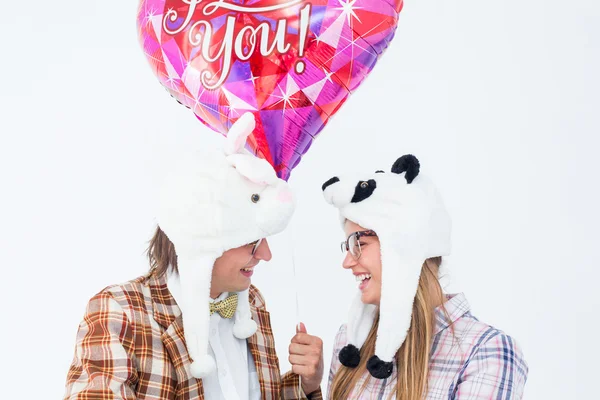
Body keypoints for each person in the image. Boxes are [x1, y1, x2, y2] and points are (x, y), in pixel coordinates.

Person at [64, 113, 324, 399]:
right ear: (202, 237)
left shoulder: (251, 304)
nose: (265, 254)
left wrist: (306, 385)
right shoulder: (119, 311)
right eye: (252, 241)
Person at [321, 154, 528, 399]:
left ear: (404, 246)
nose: (347, 262)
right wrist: (311, 388)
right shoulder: (350, 341)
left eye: (360, 243)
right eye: (347, 245)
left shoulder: (485, 352)